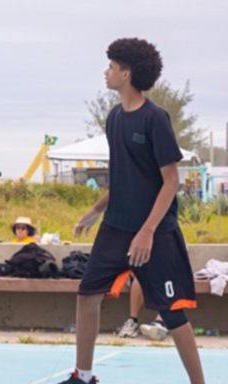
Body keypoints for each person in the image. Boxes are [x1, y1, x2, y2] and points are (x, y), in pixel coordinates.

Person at [61, 38, 204, 384]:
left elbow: (171, 181)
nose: (106, 72)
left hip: (155, 234)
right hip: (116, 228)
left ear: (126, 73)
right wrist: (94, 210)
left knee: (173, 315)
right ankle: (84, 376)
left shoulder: (155, 118)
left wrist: (147, 231)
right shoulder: (114, 118)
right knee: (87, 294)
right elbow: (124, 178)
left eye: (111, 66)